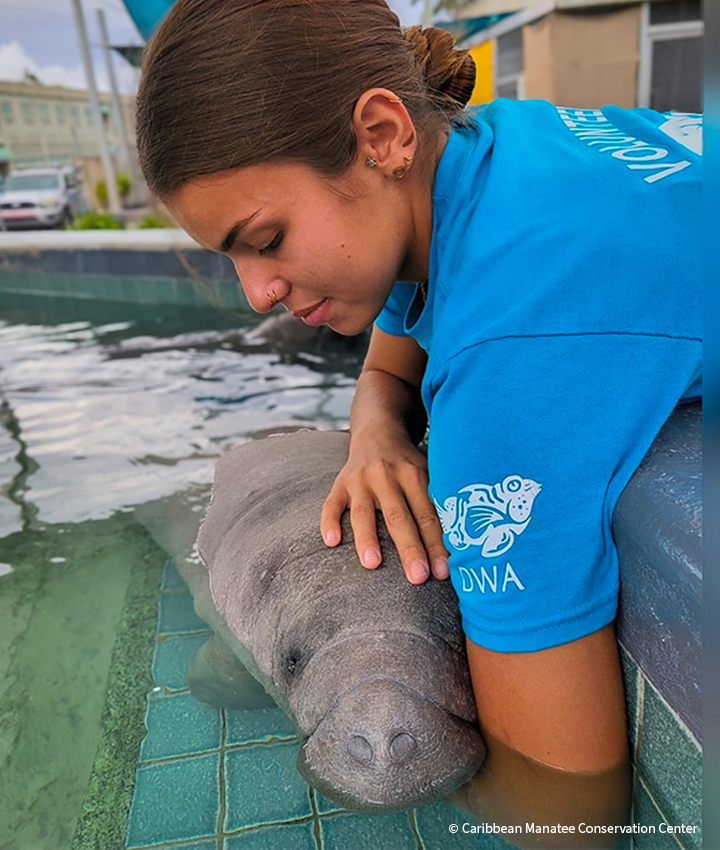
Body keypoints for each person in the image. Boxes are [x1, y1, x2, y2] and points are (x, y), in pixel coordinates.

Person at [135, 1, 701, 845]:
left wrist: (435, 792)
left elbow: (569, 817)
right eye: (233, 258)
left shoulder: (508, 366)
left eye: (267, 238)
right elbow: (398, 343)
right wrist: (377, 429)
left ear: (382, 133)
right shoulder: (483, 152)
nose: (256, 295)